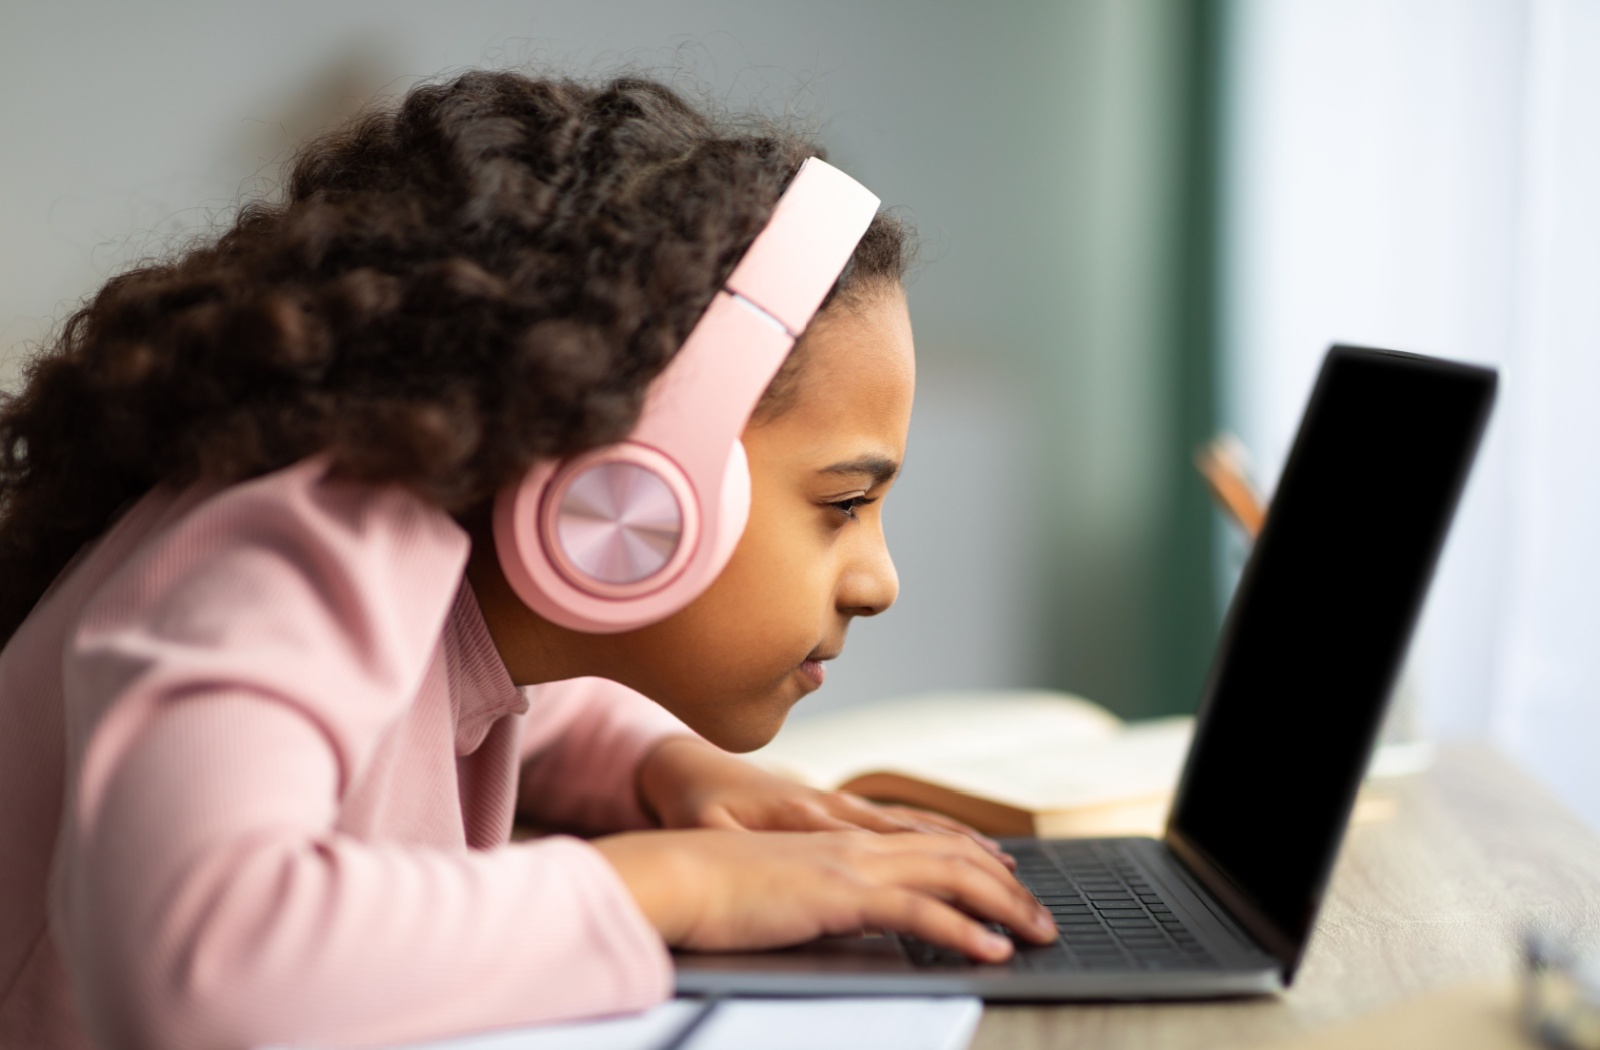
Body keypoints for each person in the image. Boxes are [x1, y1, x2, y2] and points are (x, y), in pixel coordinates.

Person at [0, 70, 1055, 1049]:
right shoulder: (282, 559)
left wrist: (661, 771)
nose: (878, 581)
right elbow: (202, 960)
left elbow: (464, 699)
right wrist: (679, 885)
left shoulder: (411, 564)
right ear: (633, 489)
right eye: (843, 503)